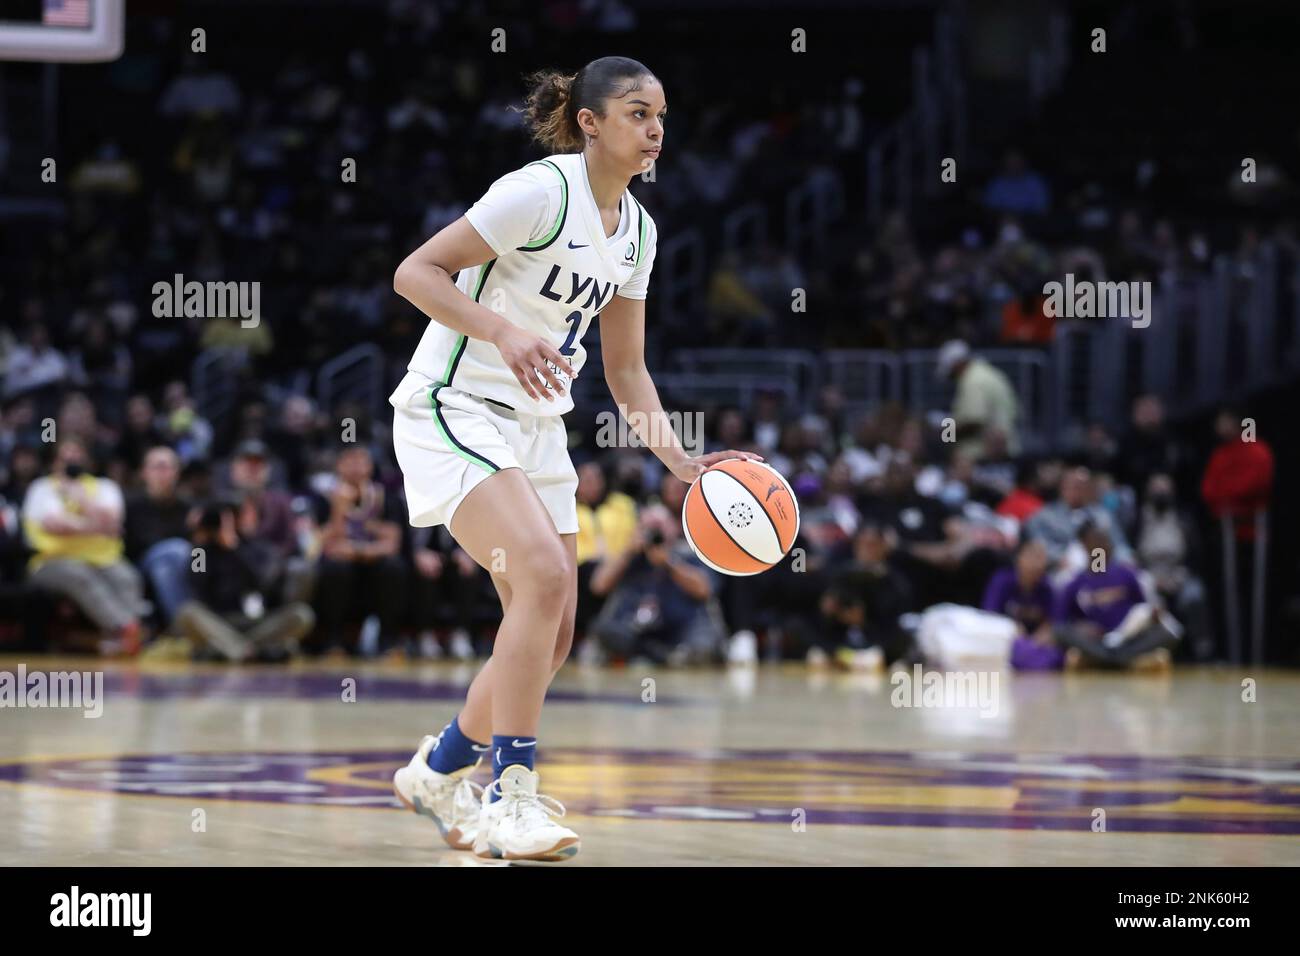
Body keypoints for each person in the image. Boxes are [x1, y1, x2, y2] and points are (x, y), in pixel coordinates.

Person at [387, 57, 759, 861]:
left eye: (660, 115)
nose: (654, 129)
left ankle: (439, 771)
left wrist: (678, 460)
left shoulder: (641, 233)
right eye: (635, 113)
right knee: (545, 578)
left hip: (536, 427)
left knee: (551, 637)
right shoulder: (538, 192)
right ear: (589, 121)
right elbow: (414, 272)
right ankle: (510, 796)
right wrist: (502, 331)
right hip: (454, 406)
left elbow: (627, 373)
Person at [21, 437, 146, 652]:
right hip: (50, 562)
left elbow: (113, 522)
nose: (71, 461)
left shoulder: (105, 486)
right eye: (65, 457)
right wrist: (98, 526)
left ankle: (121, 640)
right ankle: (127, 628)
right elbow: (56, 525)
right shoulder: (42, 488)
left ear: (86, 461)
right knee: (79, 574)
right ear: (54, 462)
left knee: (127, 577)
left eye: (76, 456)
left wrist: (81, 499)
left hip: (103, 559)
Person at [173, 501, 315, 661]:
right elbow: (197, 589)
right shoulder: (202, 551)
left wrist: (234, 548)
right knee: (187, 612)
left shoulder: (261, 548)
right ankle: (248, 651)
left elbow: (262, 583)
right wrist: (198, 542)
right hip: (219, 622)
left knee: (302, 614)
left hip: (259, 622)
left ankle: (227, 650)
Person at [587, 502, 722, 666]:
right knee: (603, 629)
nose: (655, 533)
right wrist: (628, 551)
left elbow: (704, 589)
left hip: (680, 630)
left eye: (660, 526)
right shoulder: (631, 557)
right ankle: (648, 655)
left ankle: (667, 656)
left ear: (673, 527)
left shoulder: (687, 553)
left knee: (703, 642)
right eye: (648, 527)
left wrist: (669, 563)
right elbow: (598, 585)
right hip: (635, 629)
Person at [1052, 523, 1179, 670]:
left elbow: (1142, 609)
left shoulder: (1126, 574)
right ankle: (1120, 659)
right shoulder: (1074, 582)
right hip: (1094, 641)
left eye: (1104, 540)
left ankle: (1107, 659)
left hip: (1127, 639)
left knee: (1168, 633)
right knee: (1061, 632)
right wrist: (1080, 627)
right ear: (1084, 546)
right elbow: (1060, 623)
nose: (1101, 545)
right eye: (1095, 541)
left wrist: (1153, 616)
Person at [982, 539, 1063, 670]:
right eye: (1033, 556)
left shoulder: (1047, 587)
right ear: (1019, 558)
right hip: (1005, 640)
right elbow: (989, 615)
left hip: (1035, 645)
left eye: (1041, 557)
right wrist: (1013, 628)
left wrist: (1040, 637)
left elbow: (1053, 622)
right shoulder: (1002, 581)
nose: (1038, 563)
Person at [935, 339, 1021, 461]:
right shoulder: (988, 372)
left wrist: (945, 434)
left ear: (957, 364)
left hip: (986, 457)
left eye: (951, 372)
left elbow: (974, 422)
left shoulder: (972, 380)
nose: (951, 378)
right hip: (1003, 451)